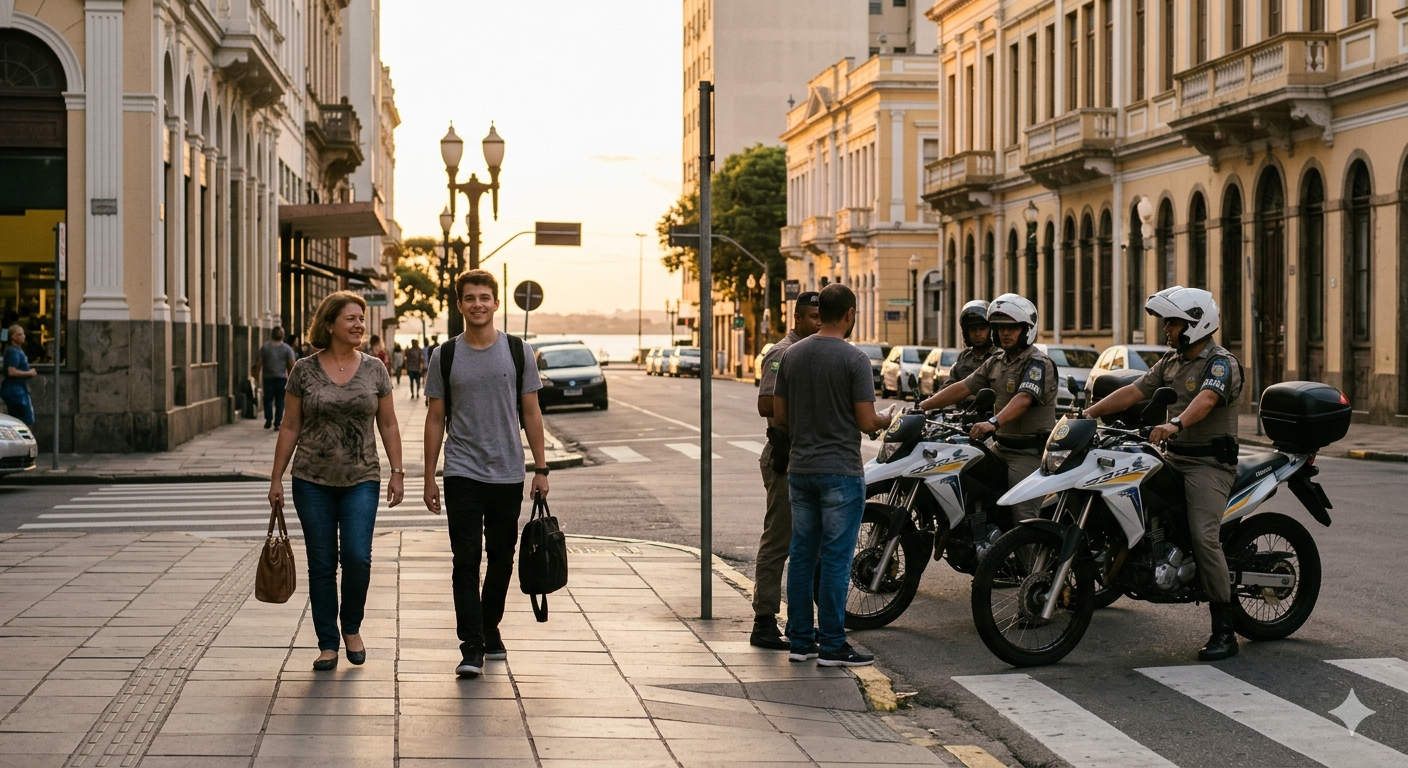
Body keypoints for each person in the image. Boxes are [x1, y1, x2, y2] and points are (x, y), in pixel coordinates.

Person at [1083, 286, 1243, 661]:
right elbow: (1134, 391)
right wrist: (1085, 416)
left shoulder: (1220, 363)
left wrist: (1176, 424)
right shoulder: (1171, 362)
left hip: (1209, 464)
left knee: (1204, 537)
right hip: (1173, 458)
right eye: (1167, 322)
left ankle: (1225, 629)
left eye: (1172, 323)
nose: (1166, 330)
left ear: (1195, 323)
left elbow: (1206, 399)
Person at [423, 270, 551, 679]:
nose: (477, 304)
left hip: (508, 472)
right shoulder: (444, 355)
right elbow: (435, 417)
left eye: (485, 297)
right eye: (469, 298)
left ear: (497, 304)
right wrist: (429, 476)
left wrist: (541, 468)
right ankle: (472, 644)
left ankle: (489, 623)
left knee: (501, 557)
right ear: (459, 305)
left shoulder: (518, 352)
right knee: (465, 558)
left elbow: (530, 411)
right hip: (461, 470)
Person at [268, 291, 404, 671]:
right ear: (329, 325)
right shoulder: (304, 370)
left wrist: (397, 470)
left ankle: (352, 626)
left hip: (362, 477)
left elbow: (389, 422)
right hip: (311, 479)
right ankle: (327, 642)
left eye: (361, 318)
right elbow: (290, 424)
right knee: (322, 563)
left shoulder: (375, 369)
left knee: (358, 557)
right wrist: (276, 477)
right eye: (351, 318)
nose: (360, 324)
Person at [773, 284, 895, 667]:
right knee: (837, 560)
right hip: (840, 471)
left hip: (800, 469)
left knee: (802, 555)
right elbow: (865, 420)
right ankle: (832, 643)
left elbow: (779, 415)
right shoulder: (855, 359)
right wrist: (887, 421)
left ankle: (799, 641)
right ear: (849, 314)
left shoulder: (792, 355)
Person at [918, 294, 1056, 523]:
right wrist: (921, 407)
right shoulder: (996, 361)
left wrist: (992, 423)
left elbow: (1023, 399)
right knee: (961, 476)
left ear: (1026, 330)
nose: (1005, 333)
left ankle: (1029, 557)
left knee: (1022, 517)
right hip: (1000, 448)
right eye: (1000, 328)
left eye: (1012, 328)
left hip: (1028, 453)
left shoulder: (1037, 363)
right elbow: (963, 387)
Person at [749, 292, 822, 650]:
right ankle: (764, 620)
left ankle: (803, 624)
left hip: (809, 455)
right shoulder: (782, 353)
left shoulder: (815, 351)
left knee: (811, 544)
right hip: (785, 455)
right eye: (811, 317)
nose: (818, 324)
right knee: (779, 540)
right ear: (796, 318)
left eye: (822, 317)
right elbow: (766, 403)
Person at [254, 327, 297, 430]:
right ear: (282, 335)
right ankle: (277, 423)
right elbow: (291, 365)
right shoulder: (287, 348)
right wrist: (293, 379)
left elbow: (259, 363)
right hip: (281, 379)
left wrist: (256, 377)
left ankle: (269, 419)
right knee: (280, 401)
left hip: (268, 378)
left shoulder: (265, 347)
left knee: (268, 399)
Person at [946, 300, 997, 386]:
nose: (977, 334)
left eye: (982, 329)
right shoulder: (964, 357)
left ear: (991, 330)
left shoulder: (999, 356)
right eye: (973, 329)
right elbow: (949, 386)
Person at [1, 325, 37, 426]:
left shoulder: (16, 351)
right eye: (19, 334)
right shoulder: (13, 352)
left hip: (17, 390)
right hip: (16, 392)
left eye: (23, 334)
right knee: (25, 420)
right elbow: (11, 371)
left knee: (19, 420)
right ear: (13, 337)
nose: (23, 336)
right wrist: (28, 373)